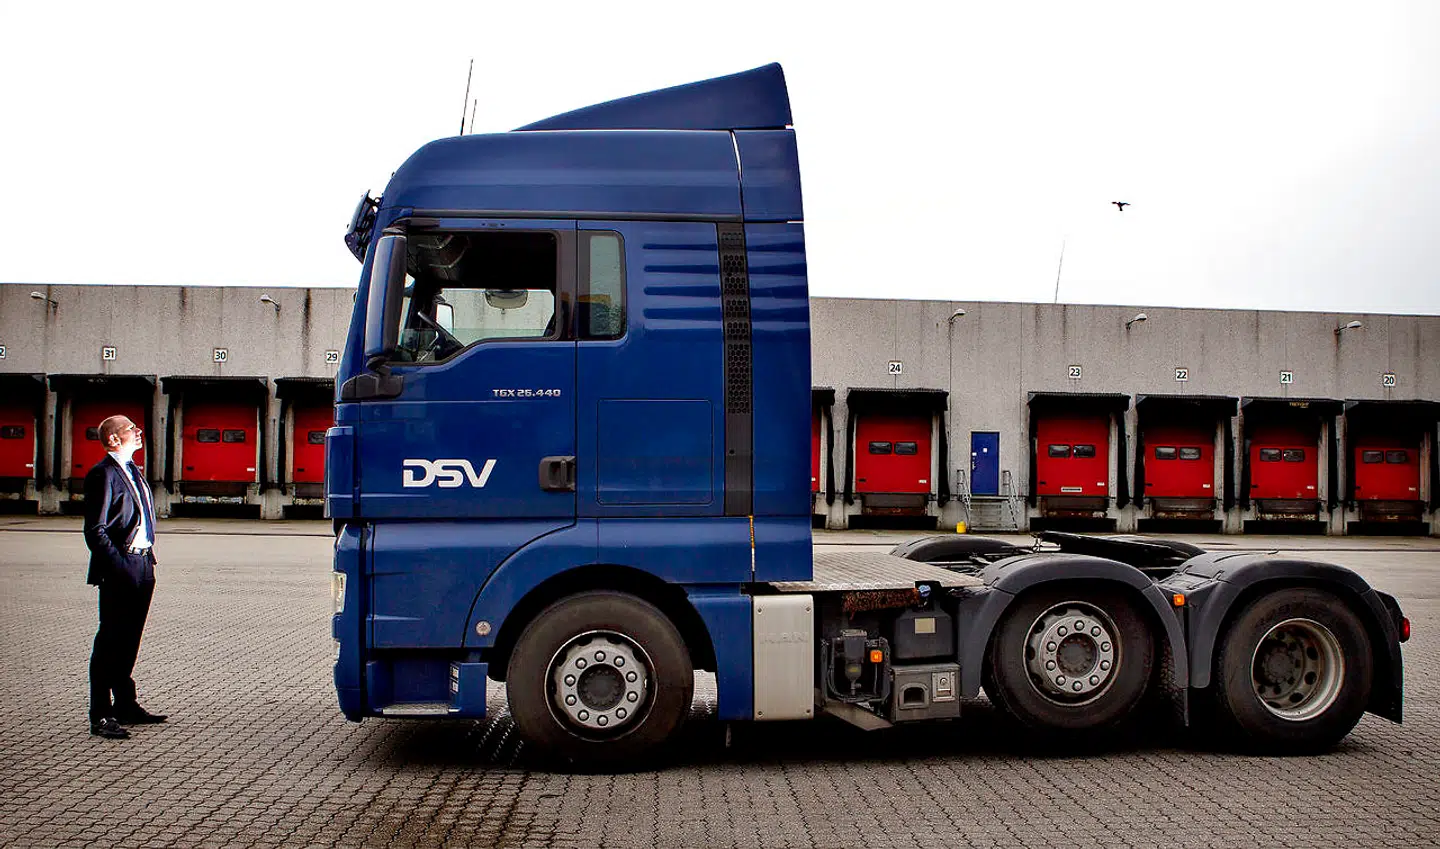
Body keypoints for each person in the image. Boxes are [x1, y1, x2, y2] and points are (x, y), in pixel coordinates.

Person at [83, 414, 167, 739]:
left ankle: (125, 704)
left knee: (130, 639)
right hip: (122, 568)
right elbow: (95, 530)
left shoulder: (133, 471)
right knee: (109, 641)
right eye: (131, 429)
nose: (138, 432)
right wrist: (118, 565)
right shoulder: (103, 475)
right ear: (114, 439)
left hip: (144, 565)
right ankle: (100, 714)